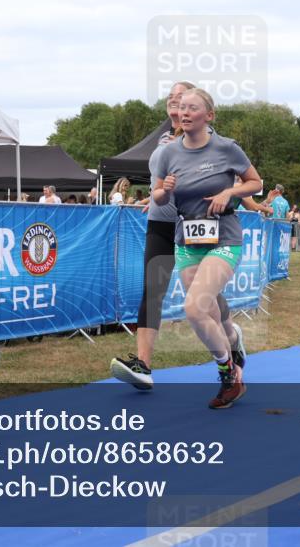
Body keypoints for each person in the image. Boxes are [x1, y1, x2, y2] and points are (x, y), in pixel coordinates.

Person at [110, 82, 240, 393]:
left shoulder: (214, 144)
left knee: (202, 297)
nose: (175, 101)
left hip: (196, 226)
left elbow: (236, 177)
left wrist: (232, 196)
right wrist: (152, 198)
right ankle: (143, 365)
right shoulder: (164, 145)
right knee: (152, 289)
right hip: (161, 223)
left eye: (182, 97)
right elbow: (159, 185)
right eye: (171, 97)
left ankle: (230, 337)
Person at [152, 87, 262, 409]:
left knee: (194, 308)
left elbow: (256, 183)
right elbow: (157, 196)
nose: (184, 113)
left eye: (192, 108)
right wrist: (164, 190)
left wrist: (230, 192)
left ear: (208, 116)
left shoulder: (227, 148)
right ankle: (232, 340)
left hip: (224, 236)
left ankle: (228, 374)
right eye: (181, 108)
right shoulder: (168, 153)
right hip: (187, 238)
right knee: (209, 307)